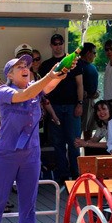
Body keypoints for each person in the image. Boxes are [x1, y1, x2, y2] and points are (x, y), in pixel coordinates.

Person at [0, 53, 68, 223]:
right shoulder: (4, 91)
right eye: (19, 66)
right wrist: (50, 75)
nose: (25, 67)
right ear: (9, 74)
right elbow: (29, 92)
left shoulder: (35, 89)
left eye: (27, 65)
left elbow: (50, 84)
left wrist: (62, 71)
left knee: (29, 202)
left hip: (30, 155)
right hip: (4, 155)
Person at [39, 34, 83, 182]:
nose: (58, 46)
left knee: (74, 142)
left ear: (64, 44)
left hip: (72, 107)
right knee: (57, 144)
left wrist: (80, 103)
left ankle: (76, 175)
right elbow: (42, 90)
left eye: (60, 43)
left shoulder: (74, 62)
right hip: (54, 108)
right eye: (55, 43)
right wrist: (48, 111)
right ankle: (62, 176)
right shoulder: (45, 65)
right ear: (51, 45)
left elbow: (80, 85)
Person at [77, 42, 99, 140]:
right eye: (94, 53)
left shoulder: (92, 66)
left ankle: (87, 151)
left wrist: (96, 92)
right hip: (83, 102)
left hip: (92, 102)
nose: (95, 55)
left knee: (89, 129)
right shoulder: (78, 66)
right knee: (79, 129)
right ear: (88, 53)